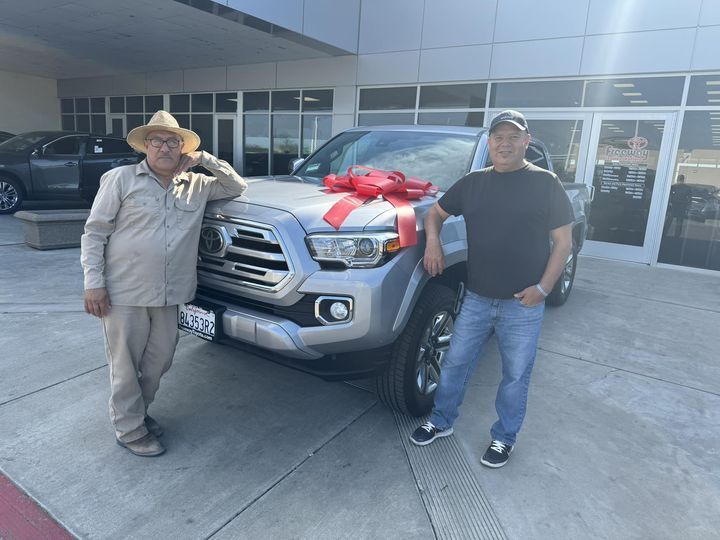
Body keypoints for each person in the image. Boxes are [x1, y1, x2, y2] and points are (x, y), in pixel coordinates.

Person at [410, 110, 574, 468]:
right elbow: (433, 214)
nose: (505, 143)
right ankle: (441, 421)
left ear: (526, 142)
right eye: (498, 137)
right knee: (454, 363)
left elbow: (563, 242)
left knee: (515, 375)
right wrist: (432, 243)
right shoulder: (473, 183)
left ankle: (504, 438)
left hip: (524, 303)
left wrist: (544, 289)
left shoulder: (546, 183)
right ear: (489, 143)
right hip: (477, 298)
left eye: (513, 137)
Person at [81, 110, 247, 457]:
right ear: (146, 146)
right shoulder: (120, 179)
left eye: (174, 141)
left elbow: (236, 186)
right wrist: (93, 283)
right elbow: (95, 232)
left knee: (159, 362)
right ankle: (129, 429)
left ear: (183, 149)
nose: (165, 147)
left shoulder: (198, 185)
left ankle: (137, 413)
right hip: (124, 291)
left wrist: (204, 159)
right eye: (157, 140)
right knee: (125, 366)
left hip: (171, 294)